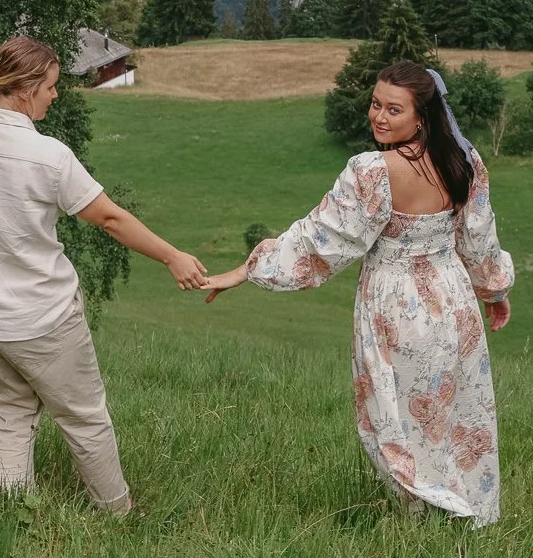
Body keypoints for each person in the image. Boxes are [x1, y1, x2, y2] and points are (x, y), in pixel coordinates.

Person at [0, 36, 207, 513]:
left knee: (9, 413)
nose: (56, 95)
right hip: (43, 321)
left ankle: (15, 513)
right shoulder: (48, 156)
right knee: (84, 418)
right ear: (27, 87)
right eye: (51, 86)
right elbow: (110, 219)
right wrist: (172, 256)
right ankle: (118, 514)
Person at [202, 60, 514, 524]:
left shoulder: (374, 171)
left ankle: (430, 515)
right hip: (454, 304)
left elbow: (320, 238)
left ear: (422, 117)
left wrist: (247, 270)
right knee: (450, 414)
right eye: (375, 104)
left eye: (394, 109)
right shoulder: (464, 163)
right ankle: (458, 514)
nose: (379, 117)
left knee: (397, 419)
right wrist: (493, 290)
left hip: (396, 308)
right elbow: (479, 241)